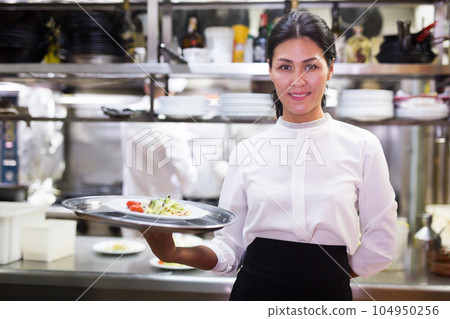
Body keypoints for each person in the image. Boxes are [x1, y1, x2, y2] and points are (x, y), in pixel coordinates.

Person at [142, 10, 397, 301]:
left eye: (311, 66)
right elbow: (230, 250)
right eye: (285, 67)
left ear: (331, 68)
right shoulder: (247, 152)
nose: (297, 81)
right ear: (269, 69)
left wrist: (328, 273)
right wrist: (173, 253)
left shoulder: (363, 146)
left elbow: (381, 245)